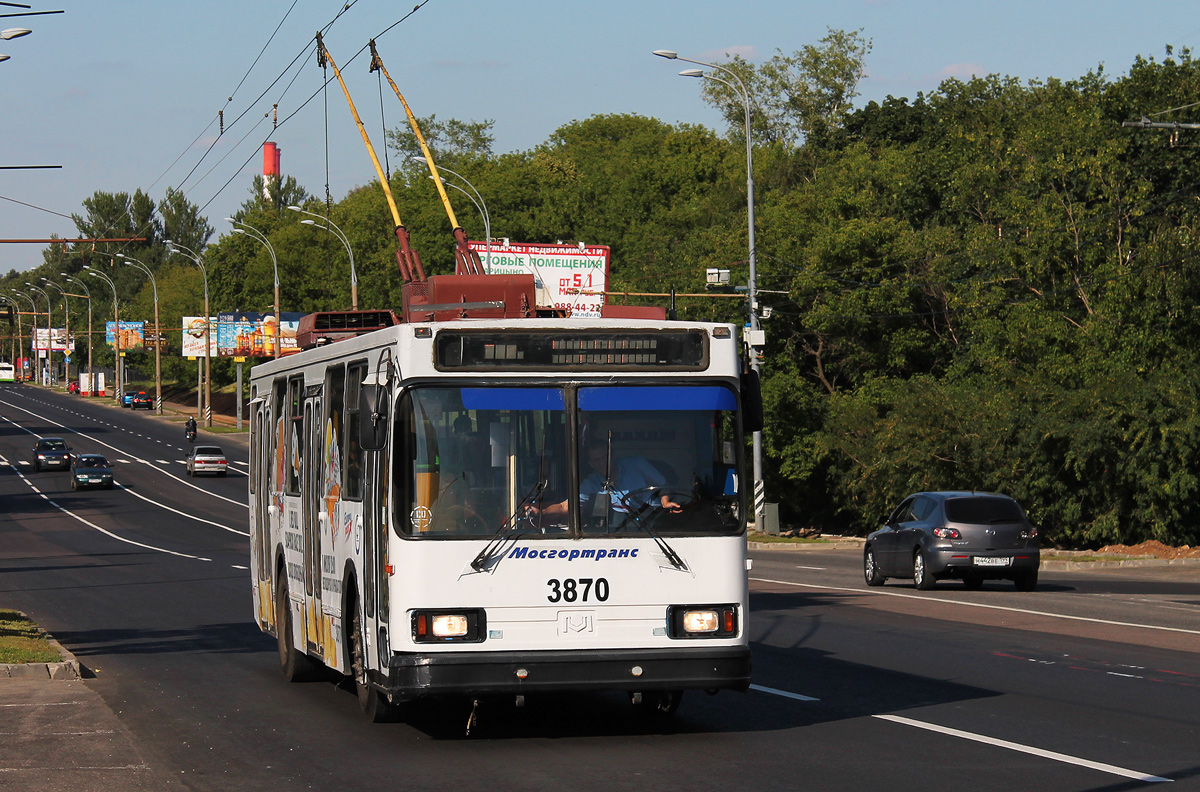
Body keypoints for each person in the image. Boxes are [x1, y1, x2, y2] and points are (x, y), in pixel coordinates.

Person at [536, 442, 681, 523]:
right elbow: (565, 507)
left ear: (613, 455)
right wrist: (541, 512)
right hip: (626, 527)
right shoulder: (591, 483)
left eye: (605, 456)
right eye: (596, 460)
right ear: (591, 464)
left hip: (658, 517)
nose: (602, 463)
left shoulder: (637, 464)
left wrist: (665, 502)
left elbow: (663, 486)